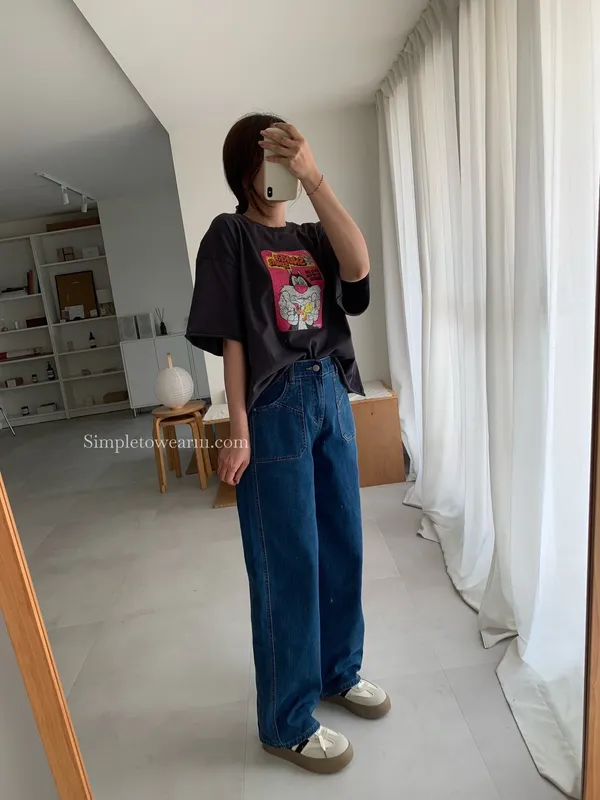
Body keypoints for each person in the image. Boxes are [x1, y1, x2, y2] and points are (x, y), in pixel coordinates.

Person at [186, 113, 390, 774]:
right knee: (288, 560)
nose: (280, 170)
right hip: (275, 403)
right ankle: (285, 720)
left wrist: (316, 177)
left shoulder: (310, 234)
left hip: (330, 391)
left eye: (287, 156)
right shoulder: (230, 234)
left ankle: (337, 672)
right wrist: (238, 429)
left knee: (342, 544)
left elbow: (358, 267)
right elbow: (233, 337)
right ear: (244, 170)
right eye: (268, 158)